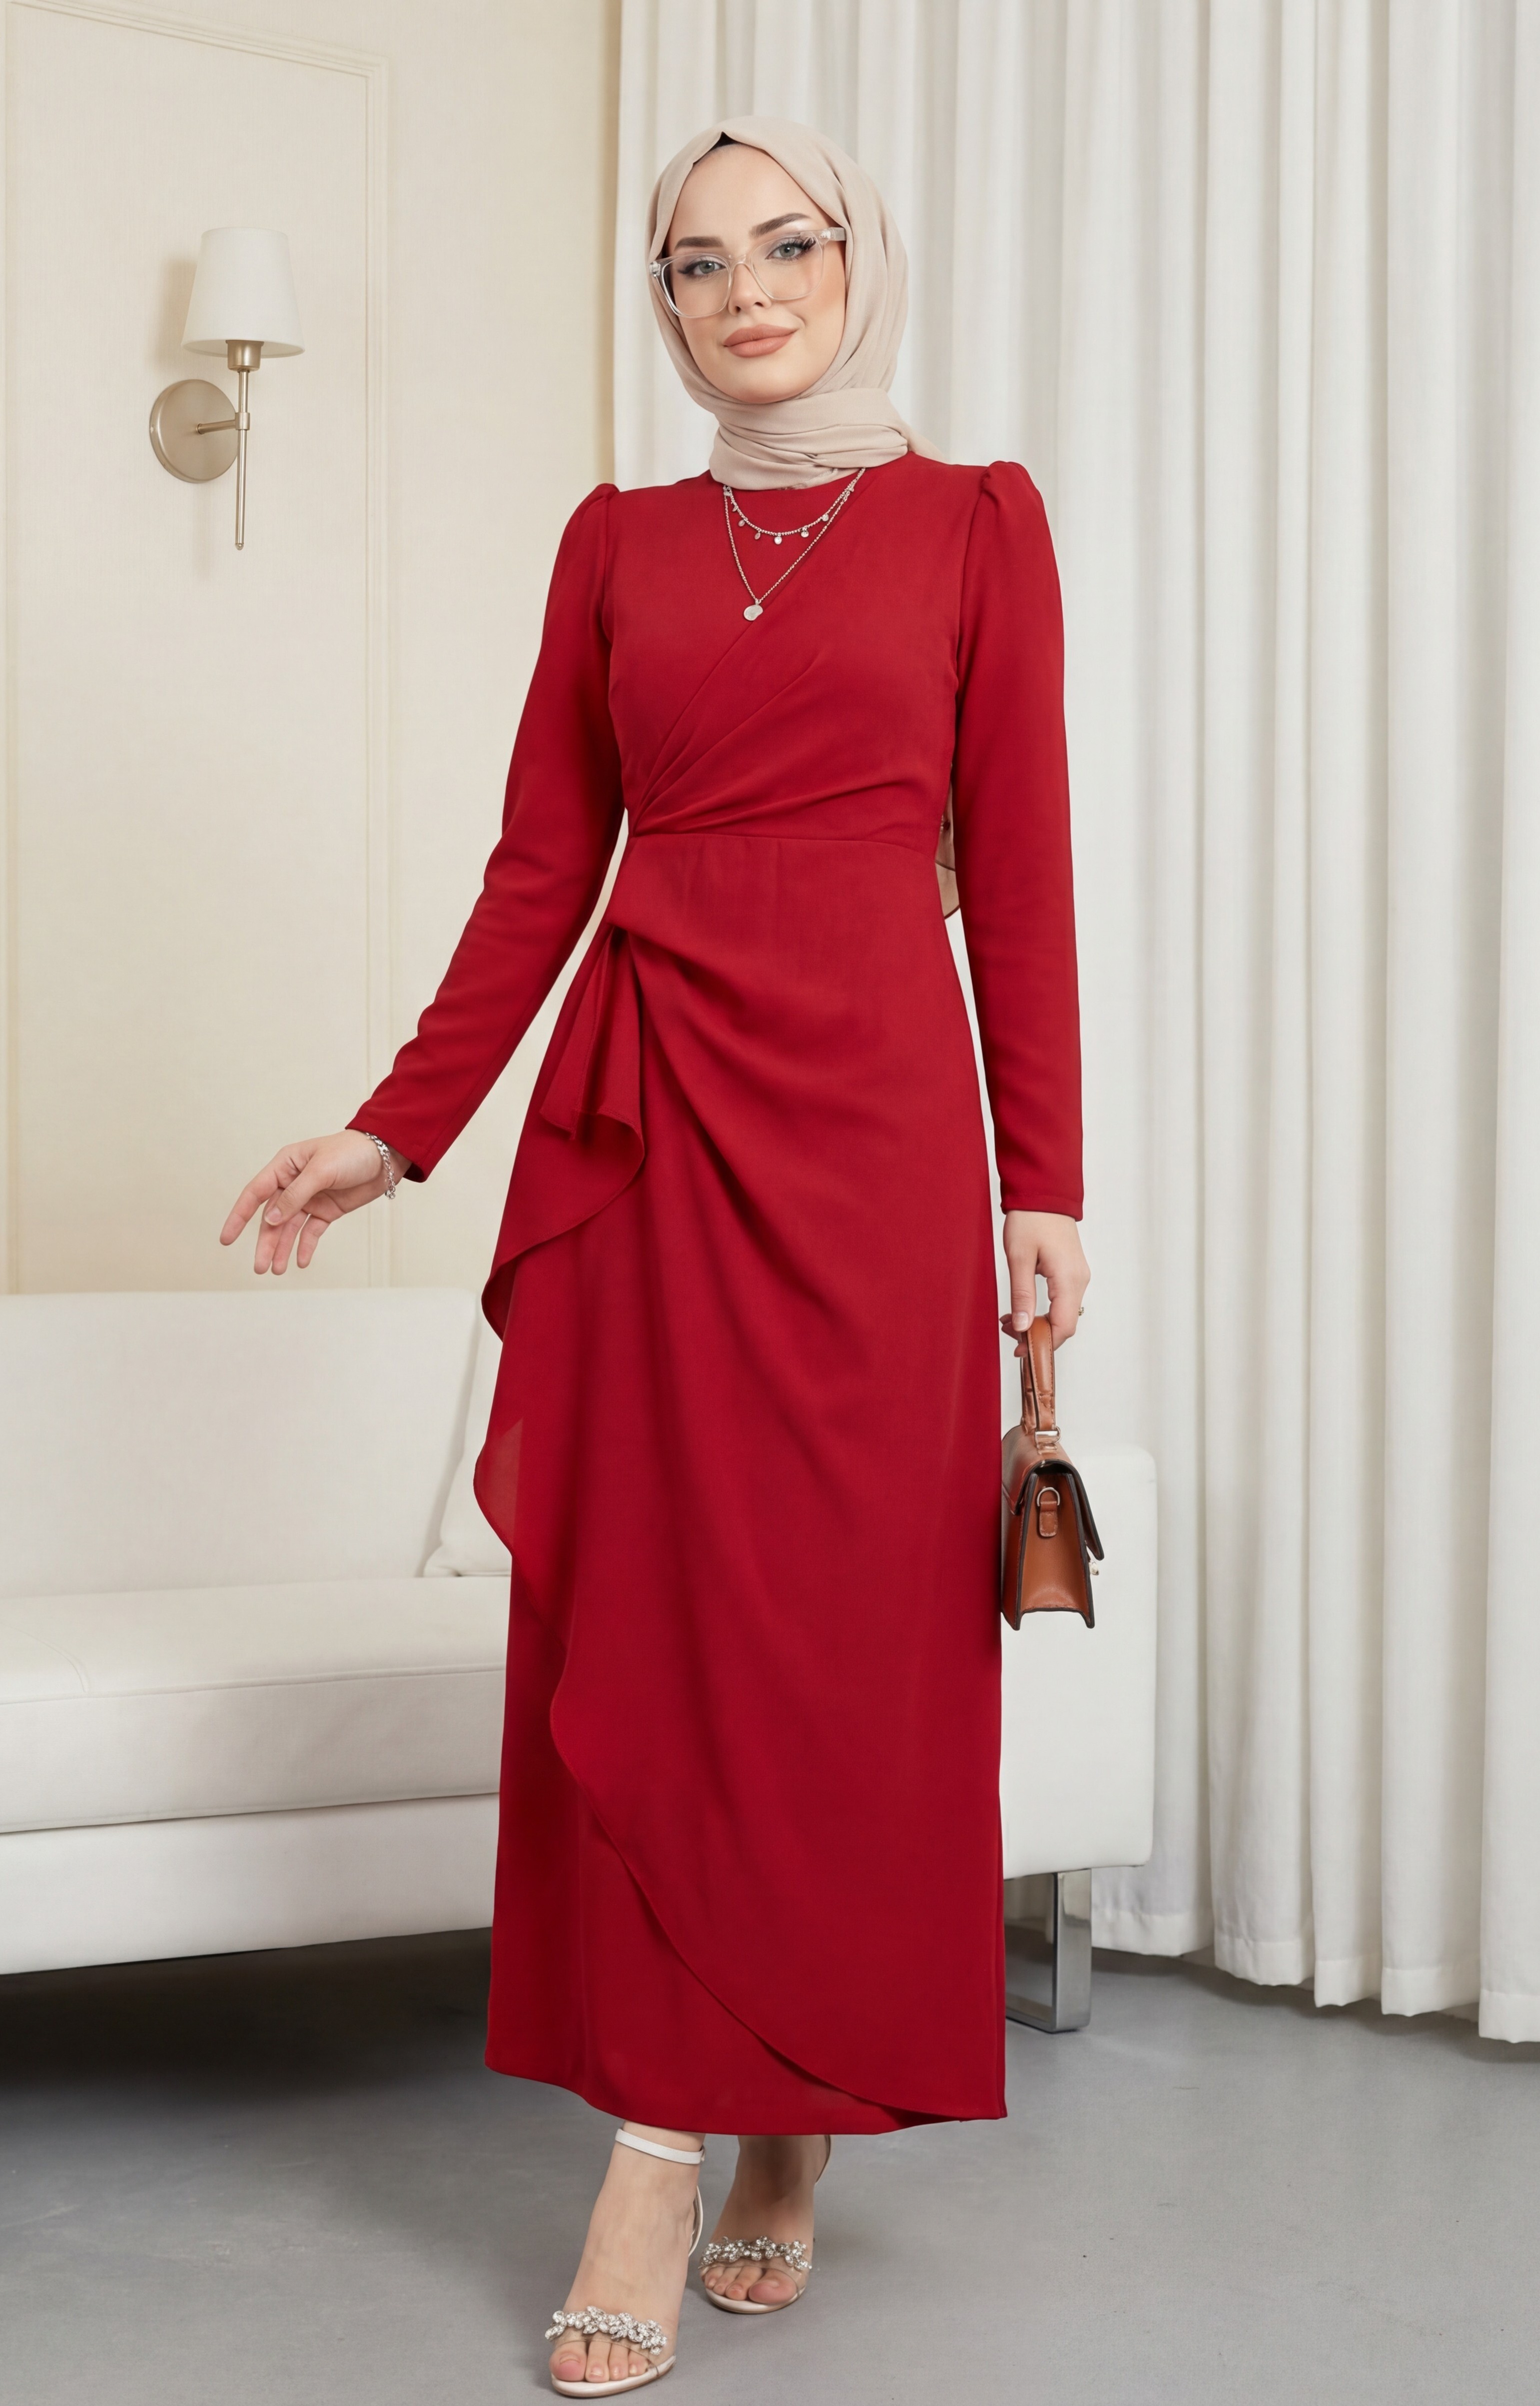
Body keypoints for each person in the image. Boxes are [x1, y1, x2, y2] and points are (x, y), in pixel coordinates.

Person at [221, 116, 1088, 2399]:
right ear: (666, 302)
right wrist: (393, 1132)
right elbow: (540, 866)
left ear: (859, 261)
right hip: (652, 1125)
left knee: (849, 1644)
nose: (747, 287)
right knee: (673, 1627)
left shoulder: (978, 525)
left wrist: (1047, 1177)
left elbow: (1019, 867)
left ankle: (795, 2101)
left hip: (880, 1142)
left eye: (788, 244)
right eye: (698, 262)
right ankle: (659, 2140)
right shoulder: (614, 544)